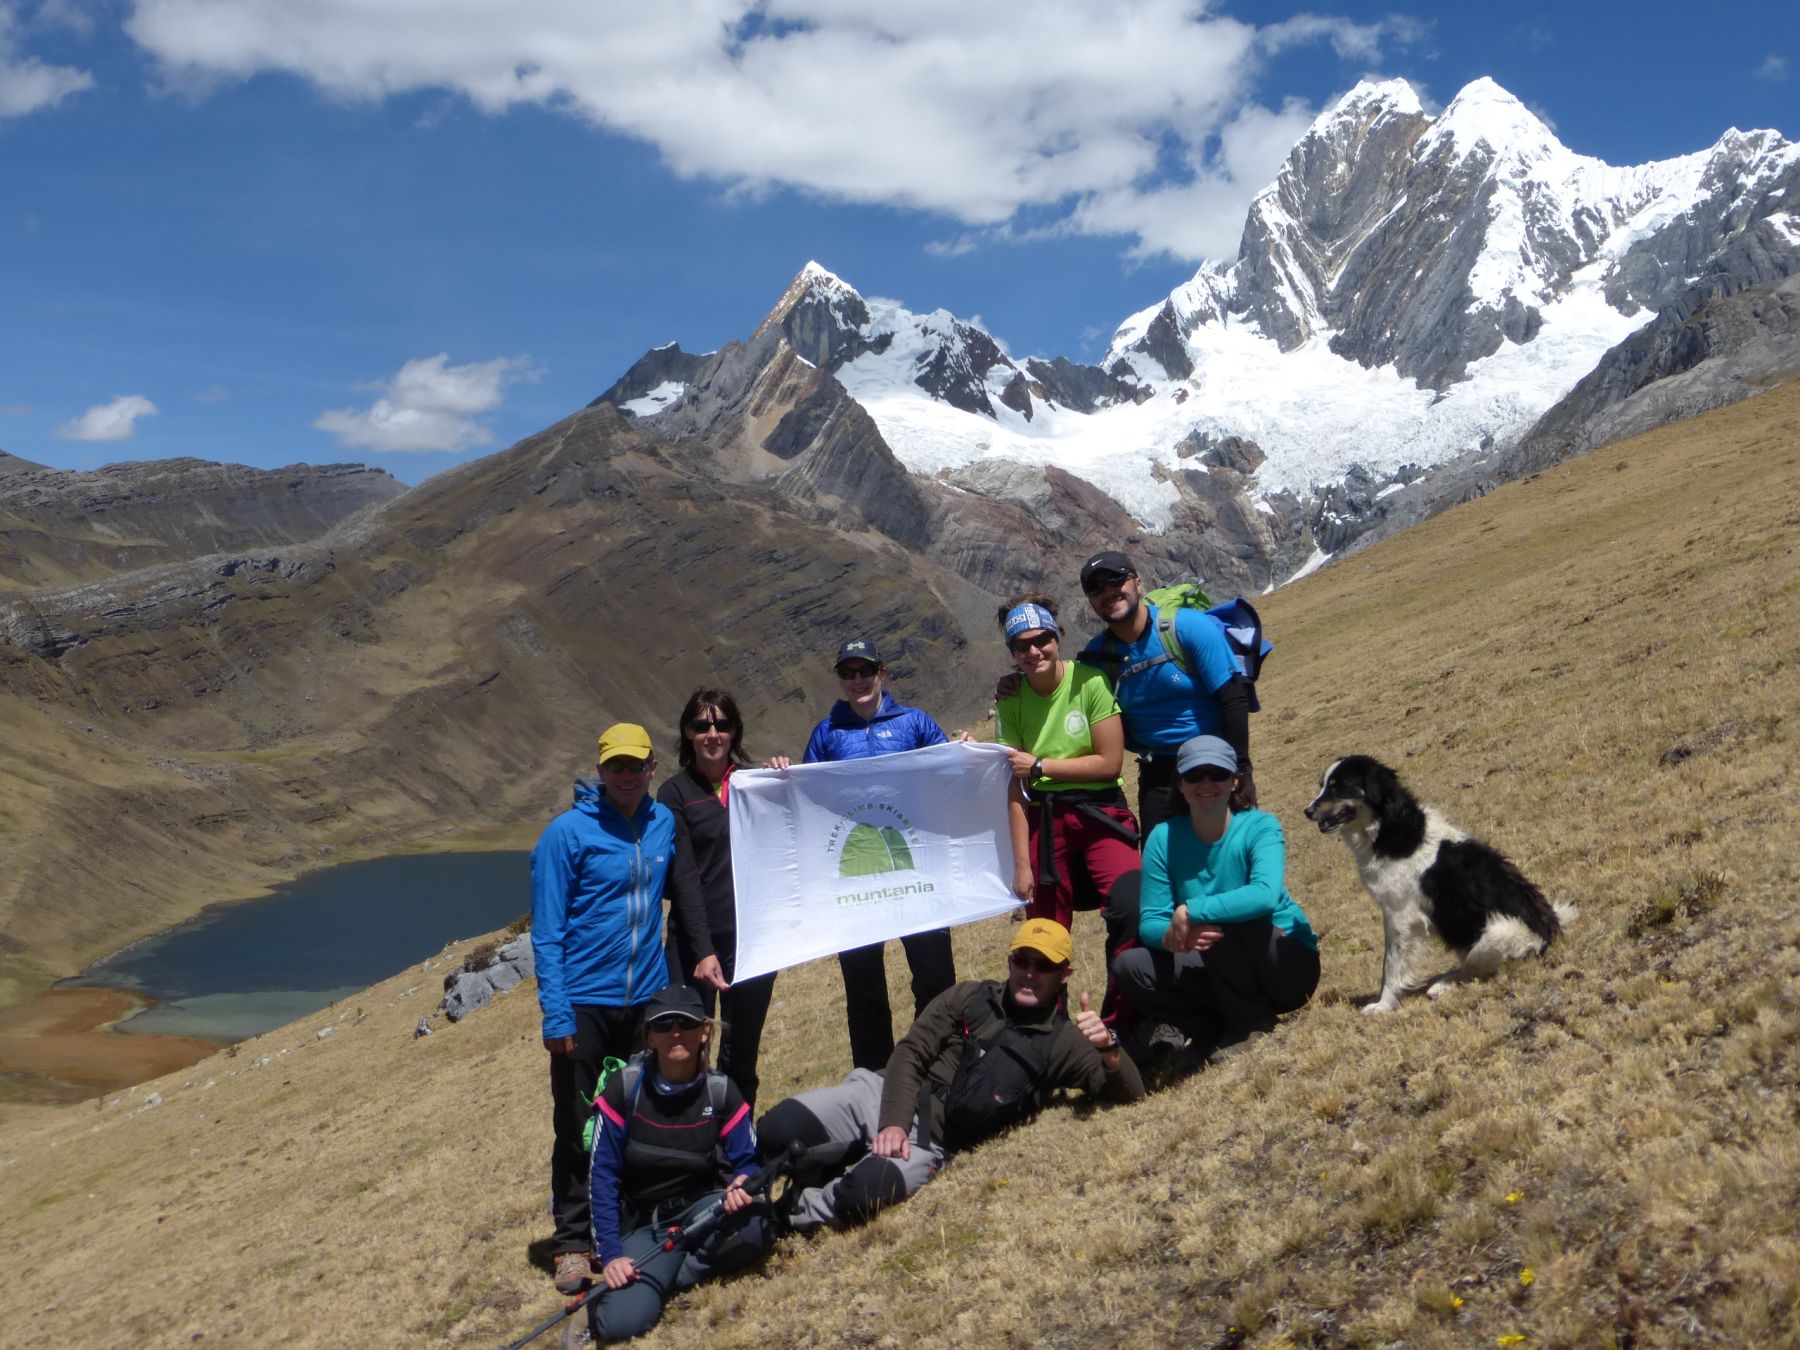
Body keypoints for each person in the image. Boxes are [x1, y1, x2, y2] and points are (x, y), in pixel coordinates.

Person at [755, 919, 1144, 1230]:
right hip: (883, 1092)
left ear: (1065, 974)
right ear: (1009, 961)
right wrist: (893, 1122)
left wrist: (1108, 1048)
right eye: (1021, 960)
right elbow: (911, 1051)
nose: (1029, 973)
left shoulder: (1063, 1042)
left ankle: (789, 1211)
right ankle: (816, 1163)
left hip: (931, 1140)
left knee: (863, 1194)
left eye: (1044, 965)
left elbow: (1131, 1094)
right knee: (777, 1128)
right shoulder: (969, 996)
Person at [531, 722, 706, 1296]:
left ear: (652, 767)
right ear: (601, 769)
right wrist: (557, 1013)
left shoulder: (662, 823)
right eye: (616, 766)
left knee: (637, 1119)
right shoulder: (566, 834)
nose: (626, 776)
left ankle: (625, 1228)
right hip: (585, 1003)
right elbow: (547, 931)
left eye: (636, 765)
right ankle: (572, 1243)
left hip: (645, 1001)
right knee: (578, 1124)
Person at [771, 638, 957, 1072]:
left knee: (934, 976)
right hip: (854, 874)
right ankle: (873, 1078)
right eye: (847, 673)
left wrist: (964, 749)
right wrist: (780, 777)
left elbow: (952, 772)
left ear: (882, 673)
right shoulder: (826, 733)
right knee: (863, 987)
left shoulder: (915, 722)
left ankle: (936, 1068)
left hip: (913, 867)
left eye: (865, 671)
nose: (857, 680)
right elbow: (808, 802)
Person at [1112, 735, 1319, 1069]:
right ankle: (1214, 1030)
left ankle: (1252, 1023)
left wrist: (1191, 910)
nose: (1206, 784)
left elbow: (1264, 895)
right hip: (1214, 959)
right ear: (1180, 784)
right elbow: (1151, 920)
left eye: (1218, 774)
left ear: (1235, 780)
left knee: (1223, 919)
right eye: (1194, 776)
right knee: (1130, 967)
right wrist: (1175, 938)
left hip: (1285, 964)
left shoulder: (1261, 825)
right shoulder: (1163, 838)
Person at [583, 984, 774, 1343]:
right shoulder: (624, 1089)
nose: (675, 1032)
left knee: (759, 1226)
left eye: (685, 1023)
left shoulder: (721, 1091)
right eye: (663, 1024)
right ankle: (651, 1276)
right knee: (619, 1324)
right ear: (649, 1037)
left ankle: (664, 1274)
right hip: (645, 1225)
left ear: (704, 1032)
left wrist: (742, 1183)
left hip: (704, 1211)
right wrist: (611, 1255)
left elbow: (749, 1162)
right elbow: (602, 1175)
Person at [993, 596, 1141, 1015]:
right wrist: (1021, 864)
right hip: (1044, 819)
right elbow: (1015, 788)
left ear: (1058, 637)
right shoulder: (1010, 700)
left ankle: (1126, 1017)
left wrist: (1041, 765)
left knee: (1131, 906)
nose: (1034, 651)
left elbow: (1110, 762)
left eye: (1041, 639)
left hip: (1100, 812)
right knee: (1042, 934)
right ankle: (1048, 1030)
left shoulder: (1090, 682)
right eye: (1022, 645)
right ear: (1012, 652)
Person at [1075, 549, 1257, 840]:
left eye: (1116, 580)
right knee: (1159, 861)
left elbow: (1233, 697)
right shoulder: (1096, 657)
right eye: (1096, 588)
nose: (1108, 592)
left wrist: (1242, 770)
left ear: (1138, 583)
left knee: (1229, 852)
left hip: (1213, 759)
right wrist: (1013, 684)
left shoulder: (1188, 627)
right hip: (1157, 772)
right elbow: (1060, 686)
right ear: (1090, 601)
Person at [657, 688, 776, 1106]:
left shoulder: (755, 784)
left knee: (741, 1054)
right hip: (693, 946)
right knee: (687, 1053)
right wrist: (704, 951)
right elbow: (684, 879)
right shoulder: (674, 794)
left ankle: (739, 1137)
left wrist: (783, 777)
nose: (712, 734)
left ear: (734, 731)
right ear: (687, 733)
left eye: (722, 724)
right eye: (701, 725)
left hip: (752, 941)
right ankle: (691, 1134)